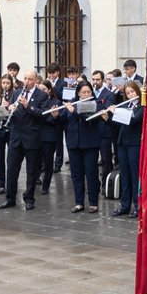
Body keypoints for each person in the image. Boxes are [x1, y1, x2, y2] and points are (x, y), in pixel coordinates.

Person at [1, 69, 47, 210]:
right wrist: (8, 108)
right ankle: (10, 198)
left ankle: (29, 198)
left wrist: (28, 106)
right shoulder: (16, 93)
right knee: (12, 169)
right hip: (16, 136)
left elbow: (42, 114)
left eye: (30, 79)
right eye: (25, 79)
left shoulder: (42, 95)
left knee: (32, 171)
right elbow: (13, 113)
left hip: (32, 137)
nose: (27, 82)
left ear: (35, 81)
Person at [57, 80, 104, 213]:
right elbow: (63, 119)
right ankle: (79, 202)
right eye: (83, 92)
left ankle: (93, 202)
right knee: (76, 174)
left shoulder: (96, 104)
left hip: (90, 144)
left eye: (88, 92)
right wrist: (56, 115)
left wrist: (75, 111)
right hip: (74, 143)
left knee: (91, 173)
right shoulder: (72, 103)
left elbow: (89, 117)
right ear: (78, 93)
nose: (86, 94)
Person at [113, 81, 144, 217]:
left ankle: (138, 206)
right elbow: (117, 124)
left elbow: (134, 120)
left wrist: (117, 113)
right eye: (128, 93)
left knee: (134, 175)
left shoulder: (142, 107)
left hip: (134, 144)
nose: (131, 95)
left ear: (138, 91)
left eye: (133, 92)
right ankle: (125, 205)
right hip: (122, 143)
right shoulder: (125, 105)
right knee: (124, 175)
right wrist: (108, 116)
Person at [36, 79, 62, 195]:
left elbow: (53, 120)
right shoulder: (35, 101)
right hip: (36, 135)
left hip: (49, 136)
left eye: (44, 89)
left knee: (48, 162)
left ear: (49, 90)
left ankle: (46, 186)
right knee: (35, 161)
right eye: (40, 89)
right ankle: (36, 179)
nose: (41, 91)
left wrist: (41, 115)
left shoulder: (55, 102)